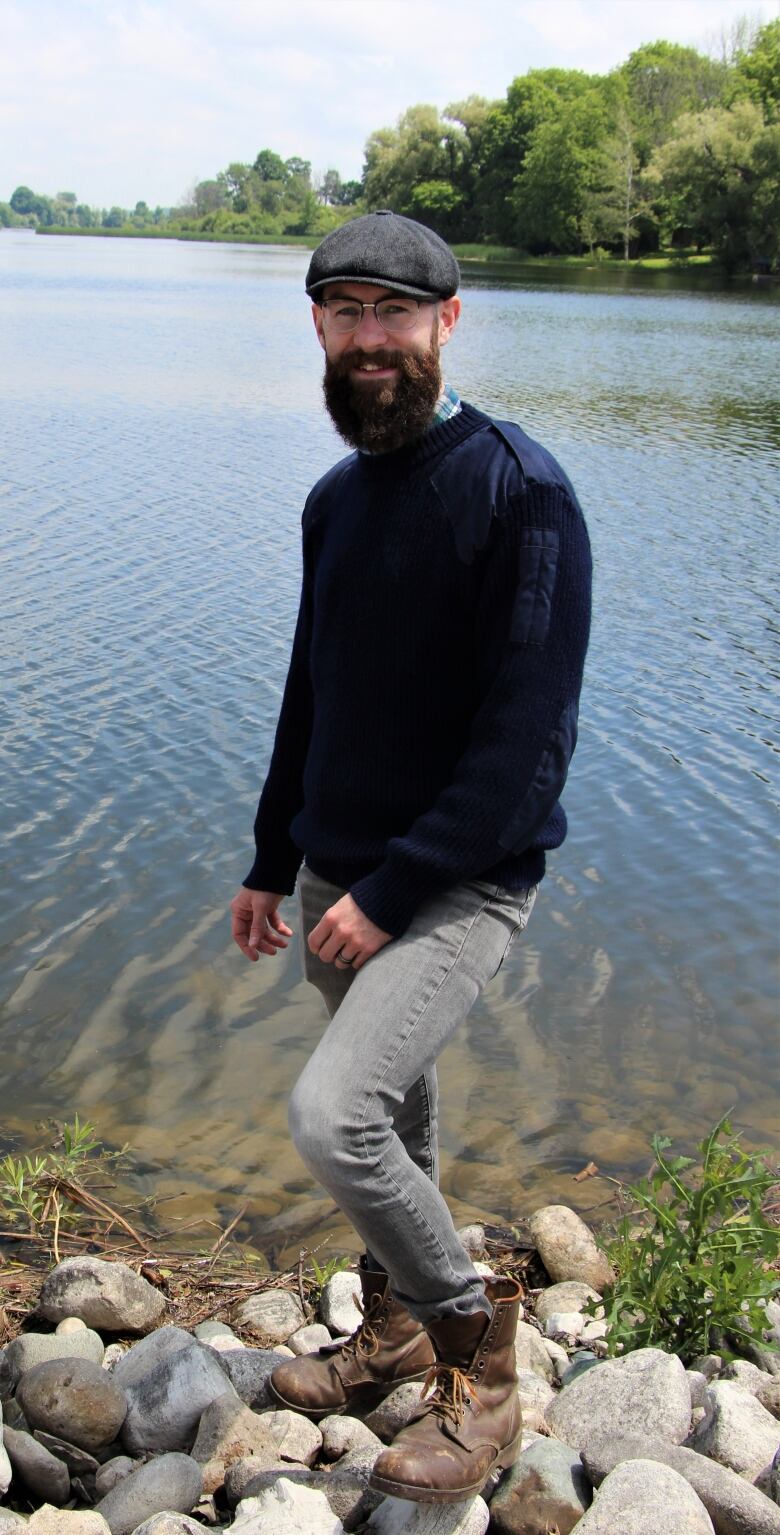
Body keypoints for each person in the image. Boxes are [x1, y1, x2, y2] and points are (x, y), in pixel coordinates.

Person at [230, 210, 592, 1504]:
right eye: (347, 314)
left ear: (449, 324)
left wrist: (390, 892)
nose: (370, 338)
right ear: (318, 331)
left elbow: (527, 746)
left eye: (396, 313)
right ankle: (386, 1330)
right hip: (339, 880)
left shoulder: (522, 493)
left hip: (460, 884)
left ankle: (481, 1360)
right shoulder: (336, 501)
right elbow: (310, 696)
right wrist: (276, 860)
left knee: (334, 1116)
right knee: (395, 1115)